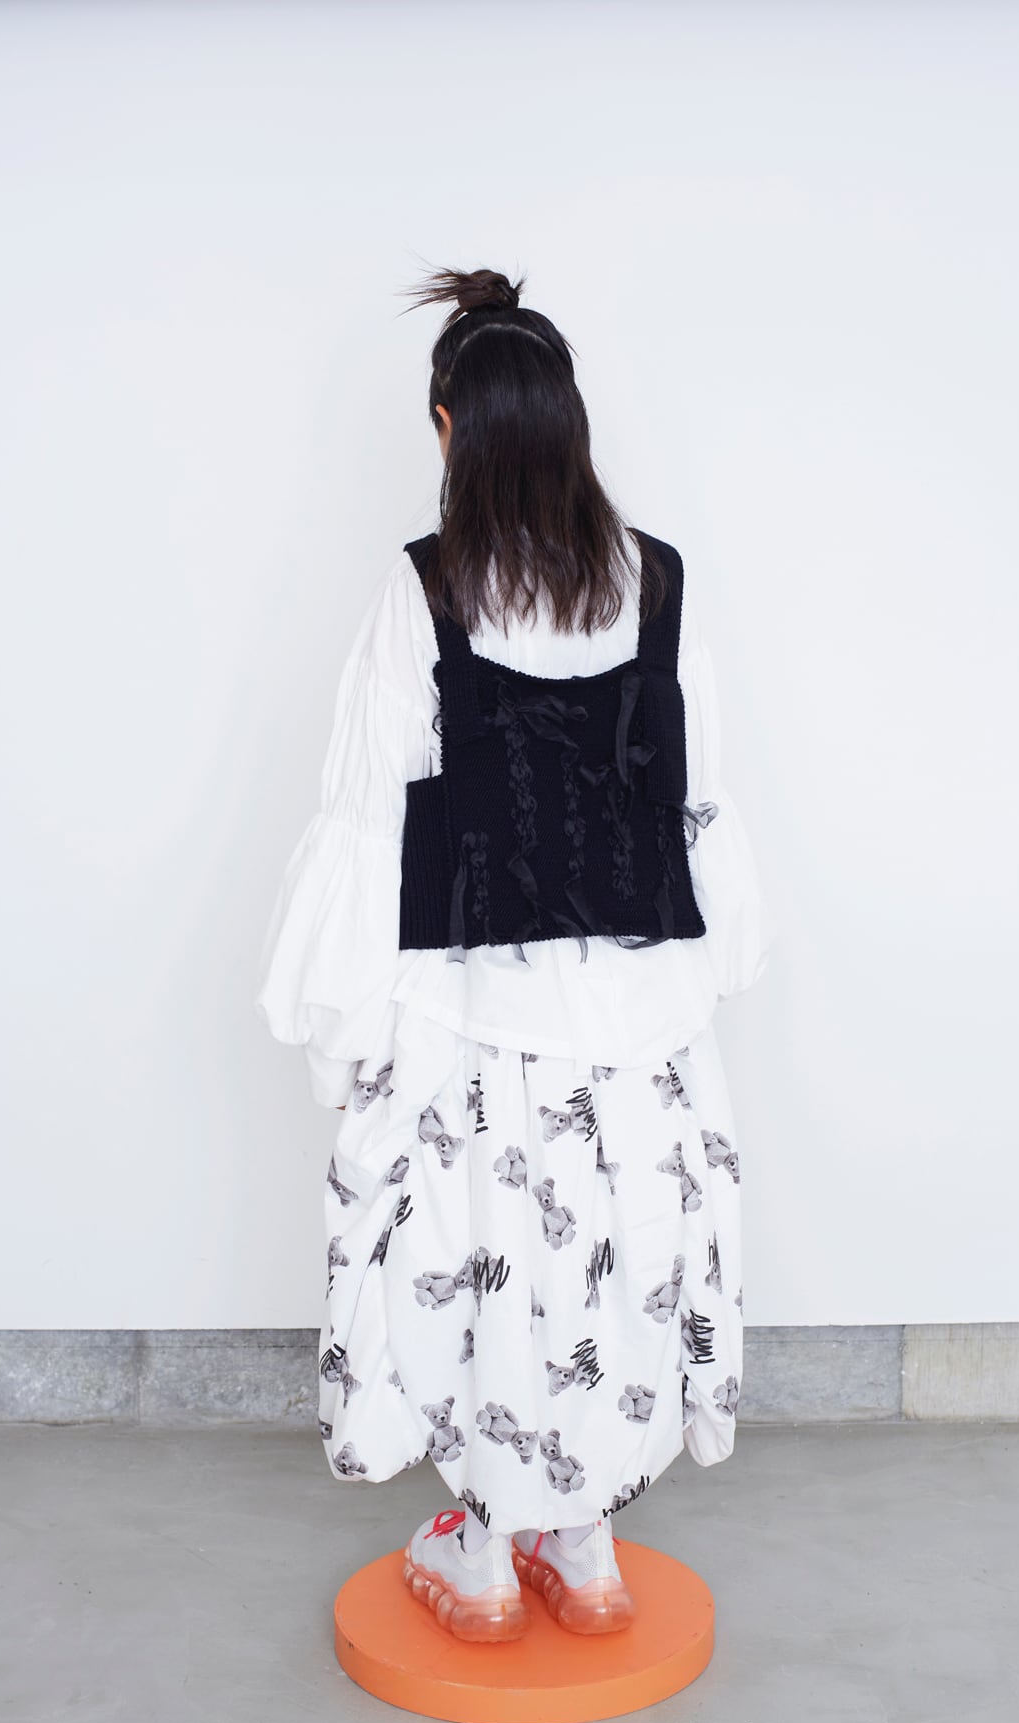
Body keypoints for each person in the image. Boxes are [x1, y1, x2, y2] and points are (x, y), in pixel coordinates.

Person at [256, 265, 772, 1643]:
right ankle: (586, 1549)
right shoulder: (658, 580)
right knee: (620, 1263)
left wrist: (342, 1024)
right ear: (568, 421)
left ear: (450, 429)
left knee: (482, 1270)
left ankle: (485, 1555)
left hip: (473, 1014)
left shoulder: (425, 590)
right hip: (640, 1019)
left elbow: (371, 821)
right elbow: (695, 798)